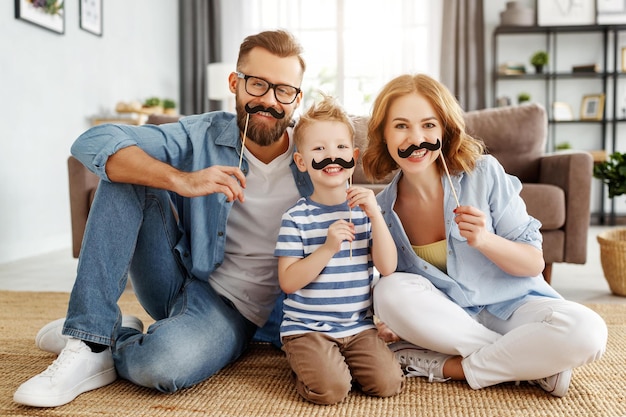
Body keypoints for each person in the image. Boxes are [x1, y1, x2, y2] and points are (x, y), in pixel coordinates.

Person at [14, 29, 312, 408]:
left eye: (283, 90)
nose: (269, 101)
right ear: (235, 83)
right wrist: (182, 180)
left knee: (159, 365)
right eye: (257, 84)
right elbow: (91, 143)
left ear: (297, 98)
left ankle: (110, 335)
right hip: (188, 284)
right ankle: (88, 339)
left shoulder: (317, 148)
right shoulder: (200, 133)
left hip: (254, 313)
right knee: (123, 172)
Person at [361, 73, 608, 397]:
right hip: (449, 323)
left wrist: (485, 240)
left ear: (445, 130)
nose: (415, 138)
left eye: (428, 125)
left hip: (516, 308)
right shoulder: (382, 211)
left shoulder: (485, 173)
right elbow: (391, 285)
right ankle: (534, 366)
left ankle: (447, 367)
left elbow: (533, 263)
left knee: (589, 331)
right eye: (401, 126)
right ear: (384, 134)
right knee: (388, 290)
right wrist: (380, 321)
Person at [274, 95, 405, 405]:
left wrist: (375, 216)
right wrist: (328, 248)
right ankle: (308, 365)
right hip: (307, 329)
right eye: (319, 149)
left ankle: (333, 362)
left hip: (358, 326)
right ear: (302, 161)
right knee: (331, 391)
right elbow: (288, 282)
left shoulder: (365, 211)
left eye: (341, 147)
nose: (331, 156)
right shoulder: (296, 218)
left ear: (354, 156)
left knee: (388, 383)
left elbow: (387, 267)